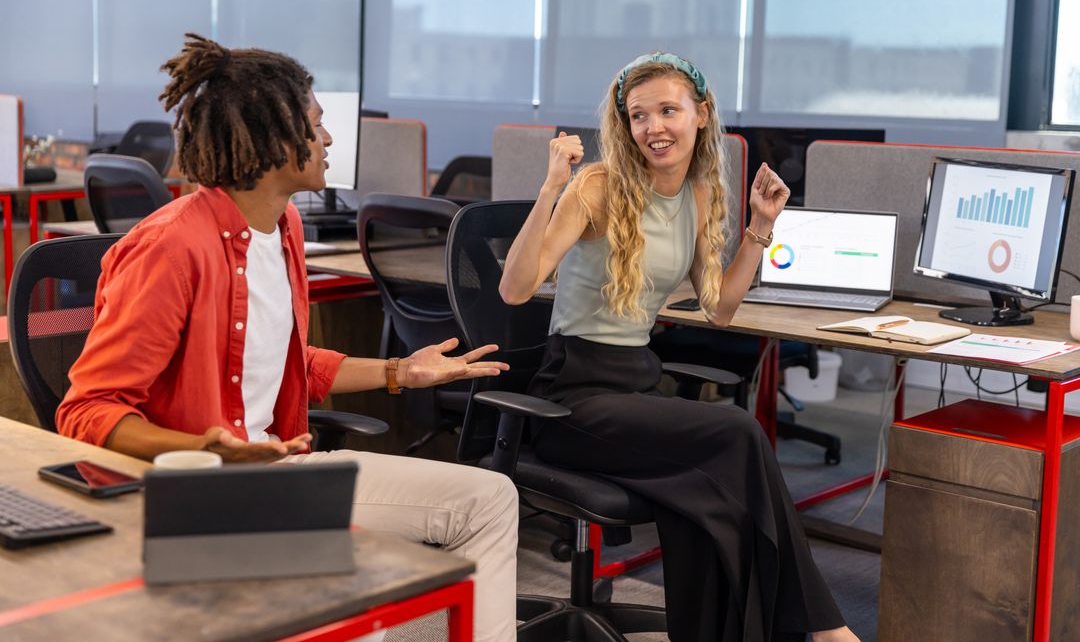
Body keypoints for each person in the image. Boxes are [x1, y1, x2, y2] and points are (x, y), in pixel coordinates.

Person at [56, 34, 518, 642]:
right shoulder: (172, 248)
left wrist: (400, 372)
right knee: (359, 600)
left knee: (490, 497)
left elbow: (283, 359)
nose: (328, 140)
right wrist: (208, 449)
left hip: (282, 473)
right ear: (273, 139)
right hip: (203, 492)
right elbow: (85, 411)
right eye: (317, 125)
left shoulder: (285, 225)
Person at [500, 52, 858, 642]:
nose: (653, 127)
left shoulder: (697, 193)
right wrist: (550, 187)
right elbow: (514, 291)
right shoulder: (597, 186)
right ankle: (824, 629)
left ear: (701, 113)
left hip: (635, 389)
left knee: (705, 500)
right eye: (639, 116)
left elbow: (718, 308)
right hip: (572, 400)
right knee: (738, 434)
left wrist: (760, 227)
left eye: (668, 110)